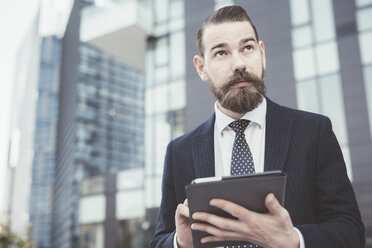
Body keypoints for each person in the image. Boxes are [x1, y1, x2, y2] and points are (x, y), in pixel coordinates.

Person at [151, 5, 365, 248]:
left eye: (248, 48)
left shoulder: (314, 132)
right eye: (221, 53)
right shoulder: (179, 152)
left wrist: (295, 240)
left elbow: (350, 231)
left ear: (261, 54)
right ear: (202, 68)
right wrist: (180, 242)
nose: (239, 63)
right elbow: (160, 240)